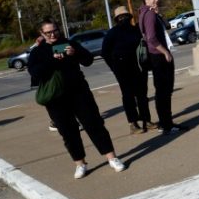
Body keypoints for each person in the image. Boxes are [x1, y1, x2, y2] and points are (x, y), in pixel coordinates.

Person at [27, 20, 126, 179]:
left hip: (79, 92)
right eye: (48, 33)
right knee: (68, 132)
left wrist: (75, 53)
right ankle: (80, 164)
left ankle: (112, 158)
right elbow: (35, 73)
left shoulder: (69, 43)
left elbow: (88, 60)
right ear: (41, 34)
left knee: (94, 124)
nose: (53, 35)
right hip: (56, 99)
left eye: (55, 31)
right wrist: (53, 59)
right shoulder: (37, 52)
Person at [139, 0, 187, 135]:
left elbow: (167, 26)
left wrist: (159, 13)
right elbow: (152, 38)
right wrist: (165, 52)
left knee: (163, 91)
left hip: (157, 56)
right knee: (164, 91)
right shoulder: (148, 15)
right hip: (158, 56)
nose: (156, 0)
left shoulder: (151, 14)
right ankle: (166, 124)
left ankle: (165, 122)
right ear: (146, 0)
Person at [101, 6, 156, 134]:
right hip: (122, 70)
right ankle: (133, 123)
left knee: (142, 95)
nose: (123, 18)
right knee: (128, 96)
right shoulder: (112, 33)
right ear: (117, 19)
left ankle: (146, 120)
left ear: (130, 17)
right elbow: (105, 52)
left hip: (139, 67)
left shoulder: (136, 30)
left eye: (126, 16)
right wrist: (114, 67)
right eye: (121, 17)